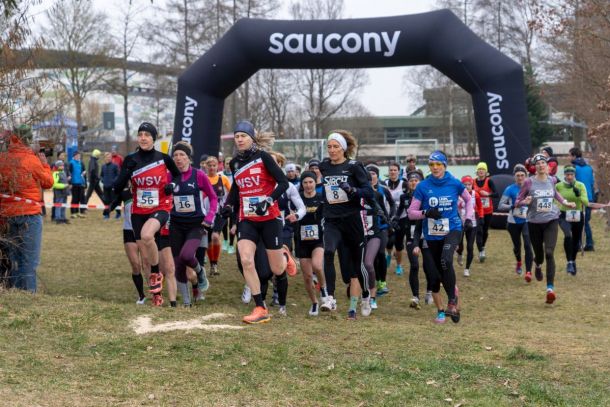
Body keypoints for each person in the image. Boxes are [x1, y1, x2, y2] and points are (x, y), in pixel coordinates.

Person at [221, 120, 296, 324]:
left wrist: (268, 201)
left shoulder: (263, 157)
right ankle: (260, 307)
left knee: (277, 269)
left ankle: (284, 255)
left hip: (269, 218)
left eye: (243, 136)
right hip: (247, 219)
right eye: (236, 136)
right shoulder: (234, 163)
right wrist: (228, 205)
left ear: (252, 138)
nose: (239, 139)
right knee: (246, 260)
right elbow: (236, 189)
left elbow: (283, 183)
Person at [112, 122, 182, 306]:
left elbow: (177, 175)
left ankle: (156, 273)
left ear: (153, 138)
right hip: (138, 211)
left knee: (147, 235)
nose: (143, 138)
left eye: (147, 135)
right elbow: (117, 187)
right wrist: (127, 171)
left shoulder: (163, 158)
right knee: (145, 257)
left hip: (161, 207)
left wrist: (172, 185)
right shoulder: (130, 159)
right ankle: (156, 295)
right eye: (140, 134)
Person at [408, 151, 472, 324]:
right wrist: (426, 212)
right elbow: (411, 213)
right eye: (431, 165)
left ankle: (451, 301)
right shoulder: (423, 186)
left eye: (438, 164)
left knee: (446, 260)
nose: (435, 168)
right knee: (435, 274)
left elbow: (468, 200)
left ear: (444, 165)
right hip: (432, 235)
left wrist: (468, 218)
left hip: (452, 229)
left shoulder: (454, 183)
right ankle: (447, 302)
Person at [318, 130, 374, 320]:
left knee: (358, 265)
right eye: (329, 147)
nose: (332, 150)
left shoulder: (354, 166)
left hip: (352, 219)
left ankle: (366, 295)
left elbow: (368, 192)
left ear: (343, 148)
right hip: (332, 220)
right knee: (328, 252)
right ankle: (330, 297)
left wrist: (352, 190)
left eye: (335, 147)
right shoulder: (324, 166)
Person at [515, 154, 576, 304]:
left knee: (549, 253)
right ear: (535, 167)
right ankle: (537, 264)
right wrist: (524, 202)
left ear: (547, 166)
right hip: (534, 223)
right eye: (538, 163)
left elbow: (555, 193)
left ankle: (550, 289)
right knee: (540, 254)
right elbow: (517, 202)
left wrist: (565, 202)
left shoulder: (552, 180)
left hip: (551, 220)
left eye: (543, 163)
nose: (541, 165)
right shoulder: (529, 182)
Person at [0, 125, 54, 292]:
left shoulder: (3, 159)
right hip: (29, 215)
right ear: (28, 140)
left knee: (14, 259)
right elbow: (48, 182)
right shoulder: (31, 160)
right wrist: (45, 165)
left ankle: (15, 295)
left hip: (7, 215)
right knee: (29, 261)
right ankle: (29, 296)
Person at [169, 142, 217, 307]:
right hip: (176, 224)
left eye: (182, 155)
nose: (178, 158)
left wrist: (209, 217)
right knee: (178, 264)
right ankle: (186, 302)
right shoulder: (170, 176)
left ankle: (200, 272)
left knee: (187, 255)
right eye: (175, 155)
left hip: (196, 224)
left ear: (189, 158)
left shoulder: (199, 175)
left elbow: (213, 198)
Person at [555, 165, 609, 275]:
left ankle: (573, 261)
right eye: (567, 174)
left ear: (574, 175)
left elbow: (585, 202)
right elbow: (553, 197)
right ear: (564, 175)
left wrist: (578, 195)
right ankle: (569, 262)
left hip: (577, 215)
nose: (569, 177)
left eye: (571, 174)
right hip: (564, 215)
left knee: (576, 240)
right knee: (568, 235)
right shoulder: (559, 186)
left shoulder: (580, 185)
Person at [296, 171, 329, 316]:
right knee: (308, 276)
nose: (308, 185)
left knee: (317, 266)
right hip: (302, 241)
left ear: (315, 183)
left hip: (318, 240)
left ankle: (324, 289)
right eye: (305, 182)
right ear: (302, 184)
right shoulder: (298, 199)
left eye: (311, 182)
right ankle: (314, 302)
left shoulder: (322, 199)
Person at [365, 164, 394, 311]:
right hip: (366, 229)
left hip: (381, 227)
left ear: (377, 175)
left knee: (381, 253)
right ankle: (372, 280)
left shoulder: (382, 190)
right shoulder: (362, 192)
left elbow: (389, 206)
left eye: (373, 174)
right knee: (371, 258)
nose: (371, 176)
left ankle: (382, 282)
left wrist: (389, 222)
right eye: (368, 174)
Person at [498, 164, 533, 279]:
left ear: (526, 176)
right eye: (518, 175)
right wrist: (513, 206)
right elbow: (500, 206)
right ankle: (519, 261)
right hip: (513, 222)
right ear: (514, 176)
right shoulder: (510, 189)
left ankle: (528, 272)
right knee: (517, 246)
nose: (520, 178)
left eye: (522, 175)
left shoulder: (531, 188)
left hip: (527, 221)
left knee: (527, 245)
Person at [204, 155, 231, 275]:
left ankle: (215, 263)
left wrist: (228, 205)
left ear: (217, 166)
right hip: (206, 213)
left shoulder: (223, 178)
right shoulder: (202, 178)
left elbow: (232, 193)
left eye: (214, 165)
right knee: (209, 240)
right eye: (209, 165)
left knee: (215, 236)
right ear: (206, 167)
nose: (212, 168)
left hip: (220, 212)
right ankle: (212, 264)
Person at [569, 147, 596, 251]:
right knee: (585, 222)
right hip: (589, 197)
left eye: (569, 155)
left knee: (576, 221)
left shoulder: (573, 168)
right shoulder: (589, 167)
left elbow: (571, 183)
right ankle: (589, 243)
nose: (569, 157)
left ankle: (579, 244)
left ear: (574, 156)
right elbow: (592, 183)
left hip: (577, 198)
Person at [456, 175, 483, 277]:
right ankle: (459, 253)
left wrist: (481, 217)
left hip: (472, 223)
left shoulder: (476, 195)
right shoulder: (458, 195)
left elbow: (480, 207)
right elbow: (454, 206)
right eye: (465, 184)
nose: (467, 186)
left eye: (469, 184)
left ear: (472, 185)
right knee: (460, 244)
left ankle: (467, 268)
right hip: (460, 223)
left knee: (470, 247)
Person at [384, 161, 406, 276]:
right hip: (387, 217)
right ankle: (388, 254)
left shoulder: (404, 184)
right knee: (388, 242)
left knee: (398, 243)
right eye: (391, 170)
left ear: (398, 172)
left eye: (395, 170)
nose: (392, 172)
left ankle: (399, 265)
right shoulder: (384, 184)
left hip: (401, 217)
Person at [473, 161, 497, 262]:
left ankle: (482, 246)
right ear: (477, 171)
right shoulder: (473, 182)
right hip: (477, 211)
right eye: (479, 169)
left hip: (488, 211)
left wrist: (488, 194)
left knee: (485, 231)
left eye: (483, 169)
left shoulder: (489, 181)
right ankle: (481, 251)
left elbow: (496, 194)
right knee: (479, 231)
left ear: (486, 171)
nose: (481, 171)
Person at [101, 152, 120, 219]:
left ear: (111, 158)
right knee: (106, 201)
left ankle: (118, 213)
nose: (108, 158)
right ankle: (107, 215)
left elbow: (118, 175)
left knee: (114, 200)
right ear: (105, 158)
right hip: (105, 186)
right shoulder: (103, 166)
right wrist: (102, 180)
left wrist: (113, 181)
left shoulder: (115, 165)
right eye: (107, 157)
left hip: (113, 187)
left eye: (109, 157)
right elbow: (101, 175)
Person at [68, 151, 87, 218]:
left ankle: (78, 212)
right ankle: (73, 212)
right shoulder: (71, 163)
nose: (78, 157)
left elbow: (84, 173)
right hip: (74, 183)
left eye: (79, 155)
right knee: (74, 198)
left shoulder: (81, 163)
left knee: (80, 198)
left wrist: (85, 183)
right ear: (74, 156)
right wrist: (70, 183)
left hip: (81, 183)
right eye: (77, 155)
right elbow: (69, 174)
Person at [52, 160, 70, 224]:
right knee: (58, 206)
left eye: (63, 165)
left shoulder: (63, 172)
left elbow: (64, 181)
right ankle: (58, 219)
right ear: (57, 166)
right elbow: (54, 184)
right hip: (59, 193)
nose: (62, 166)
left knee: (64, 206)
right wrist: (64, 185)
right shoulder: (56, 173)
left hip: (65, 193)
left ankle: (63, 218)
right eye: (61, 165)